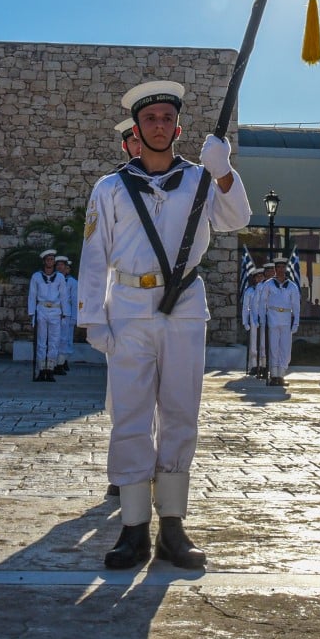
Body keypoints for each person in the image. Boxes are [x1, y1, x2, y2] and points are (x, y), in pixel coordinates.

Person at [76, 79, 250, 570]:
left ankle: (173, 527)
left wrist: (223, 172)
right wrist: (92, 318)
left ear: (178, 128)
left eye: (166, 119)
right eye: (149, 119)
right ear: (136, 129)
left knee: (180, 412)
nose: (158, 126)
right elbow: (94, 256)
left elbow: (237, 218)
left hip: (184, 307)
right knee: (130, 416)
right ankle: (133, 529)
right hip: (129, 305)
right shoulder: (110, 188)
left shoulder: (199, 180)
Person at [263, 259, 301, 387]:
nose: (280, 269)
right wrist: (263, 319)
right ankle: (274, 375)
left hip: (286, 318)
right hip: (273, 317)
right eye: (278, 267)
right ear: (275, 269)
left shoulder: (292, 286)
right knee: (273, 347)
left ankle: (281, 375)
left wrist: (296, 322)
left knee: (285, 348)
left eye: (282, 267)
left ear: (286, 269)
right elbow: (263, 302)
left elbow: (296, 305)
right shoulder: (268, 284)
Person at [28, 249, 65, 382]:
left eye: (52, 259)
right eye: (48, 259)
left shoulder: (60, 277)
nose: (50, 262)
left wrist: (65, 313)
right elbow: (32, 295)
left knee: (54, 341)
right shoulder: (36, 276)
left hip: (55, 310)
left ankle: (50, 369)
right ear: (44, 261)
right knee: (41, 341)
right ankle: (41, 370)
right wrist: (31, 313)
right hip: (42, 309)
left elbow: (64, 296)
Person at [55, 255, 77, 374]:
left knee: (66, 339)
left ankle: (63, 361)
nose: (60, 267)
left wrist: (74, 317)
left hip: (67, 314)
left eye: (62, 265)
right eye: (57, 265)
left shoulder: (72, 282)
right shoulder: (53, 279)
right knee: (55, 339)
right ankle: (57, 362)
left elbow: (74, 300)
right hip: (54, 313)